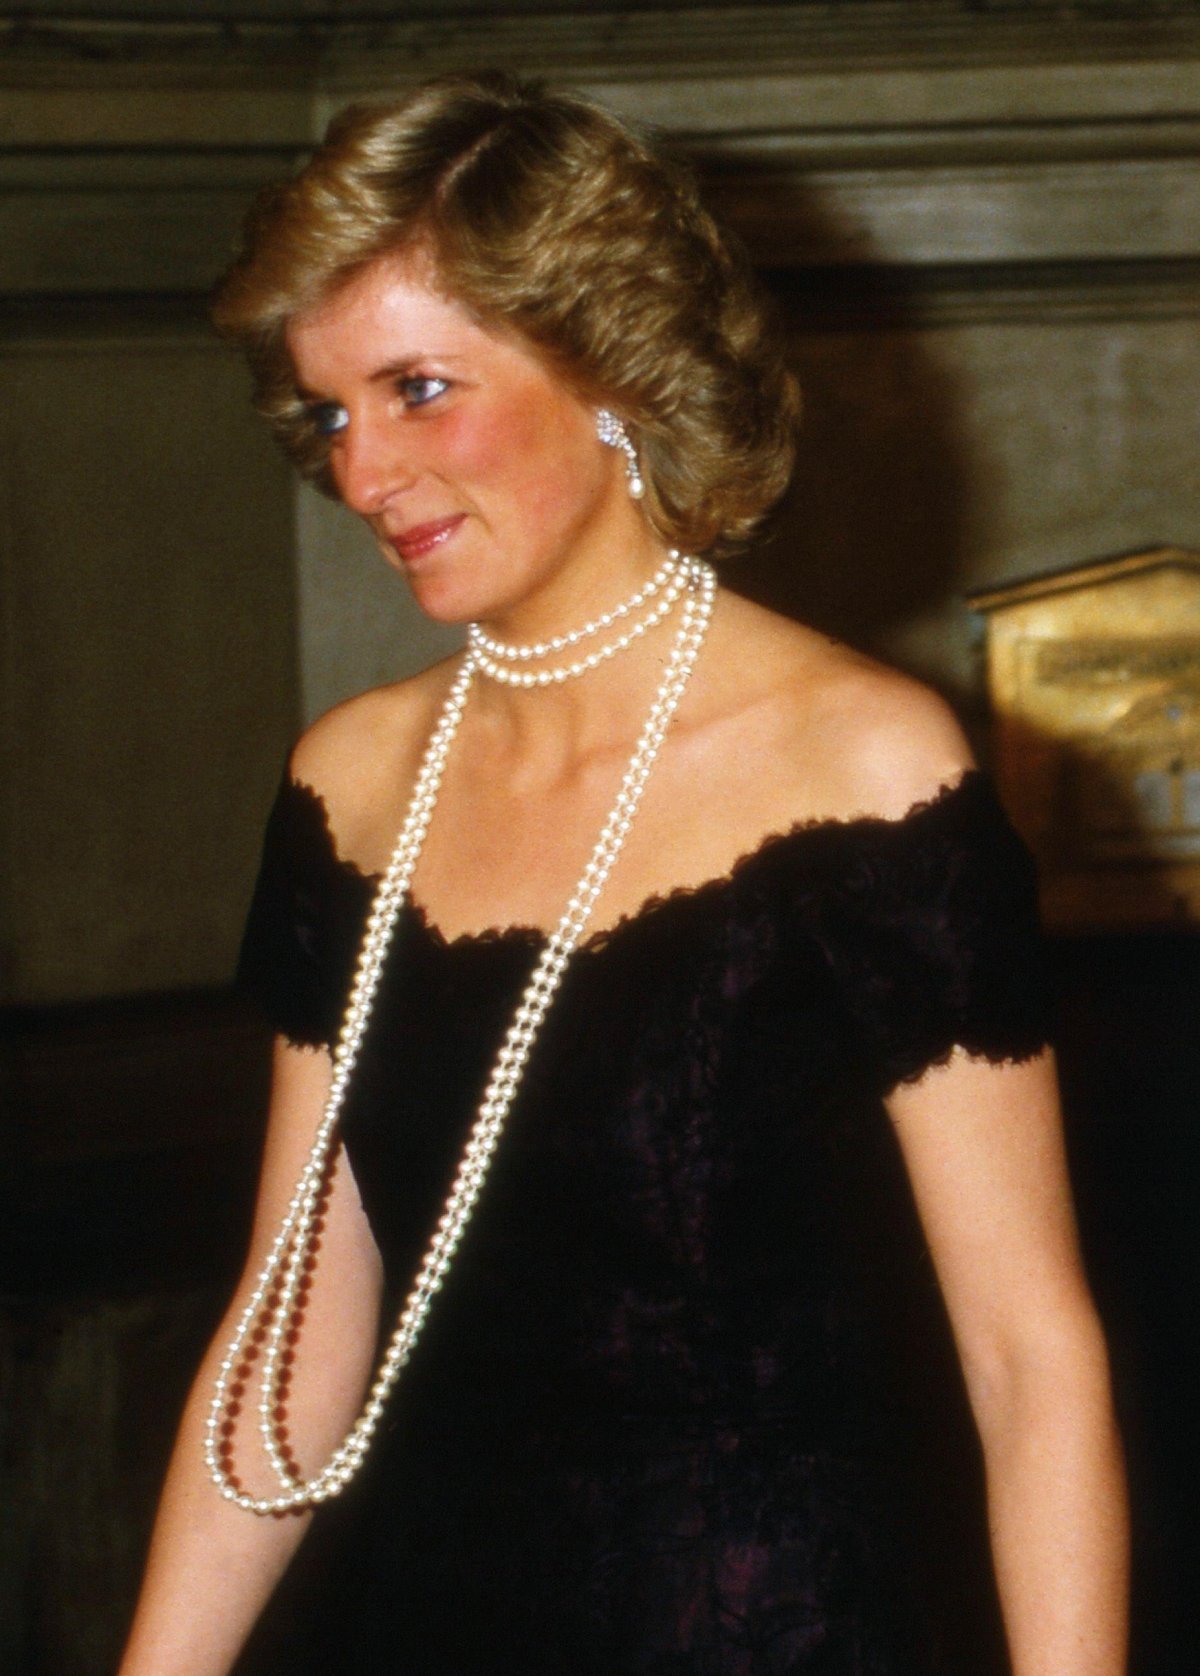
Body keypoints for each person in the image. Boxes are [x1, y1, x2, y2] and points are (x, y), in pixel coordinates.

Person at [118, 71, 1127, 1676]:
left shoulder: (866, 769)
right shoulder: (351, 778)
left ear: (608, 365)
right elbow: (294, 1323)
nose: (364, 474)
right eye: (329, 412)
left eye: (420, 389)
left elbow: (1031, 1359)